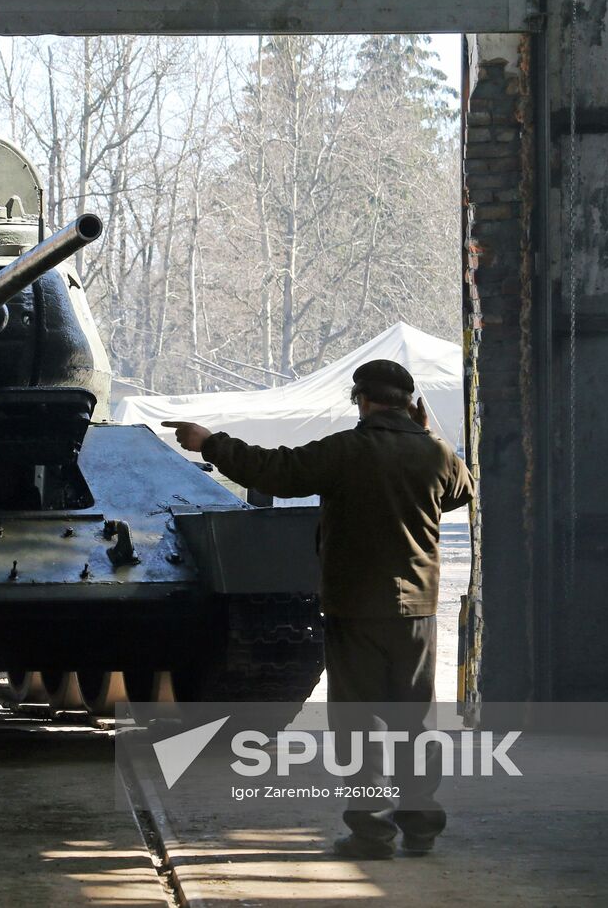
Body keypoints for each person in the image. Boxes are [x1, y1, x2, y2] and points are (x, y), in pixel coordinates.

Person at [163, 359, 473, 860]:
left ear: (361, 400)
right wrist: (425, 436)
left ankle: (372, 833)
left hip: (355, 607)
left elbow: (275, 471)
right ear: (410, 401)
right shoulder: (435, 452)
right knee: (413, 720)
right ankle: (421, 827)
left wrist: (210, 443)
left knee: (360, 721)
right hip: (415, 610)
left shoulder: (346, 451)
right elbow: (460, 492)